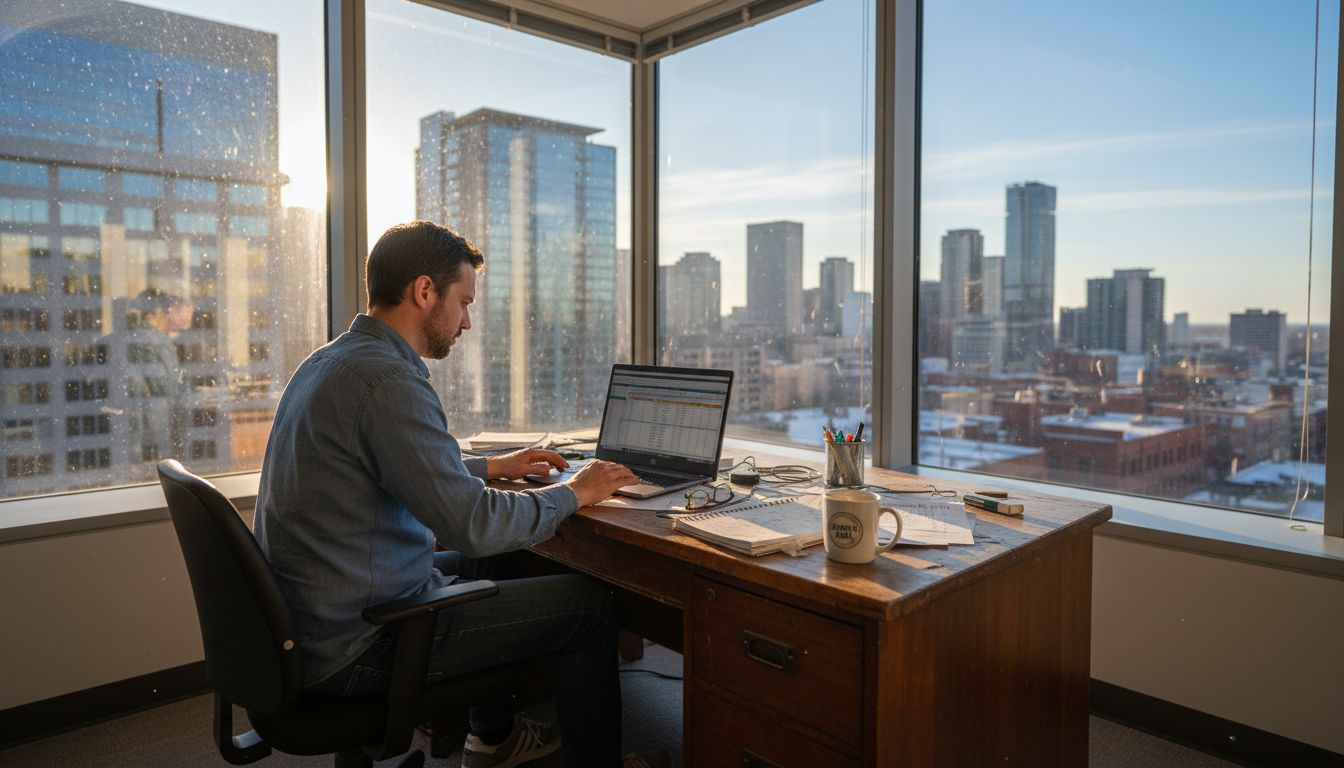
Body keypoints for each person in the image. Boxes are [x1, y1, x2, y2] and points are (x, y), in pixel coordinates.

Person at [254, 221, 662, 768]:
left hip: (320, 616)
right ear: (424, 292)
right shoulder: (390, 381)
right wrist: (575, 492)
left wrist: (490, 465)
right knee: (586, 608)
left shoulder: (328, 362)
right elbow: (471, 523)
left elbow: (387, 467)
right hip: (363, 642)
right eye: (464, 303)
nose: (468, 321)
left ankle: (490, 740)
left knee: (499, 560)